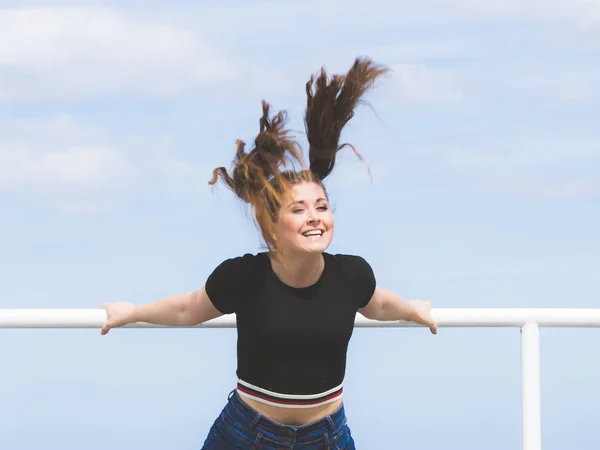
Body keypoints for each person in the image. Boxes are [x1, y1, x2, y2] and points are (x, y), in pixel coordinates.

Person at [101, 57, 437, 450]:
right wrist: (131, 313)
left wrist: (415, 310)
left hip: (326, 437)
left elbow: (379, 306)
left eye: (321, 207)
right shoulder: (244, 276)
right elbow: (187, 309)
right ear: (271, 225)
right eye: (299, 210)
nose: (314, 218)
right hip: (247, 434)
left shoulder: (352, 275)